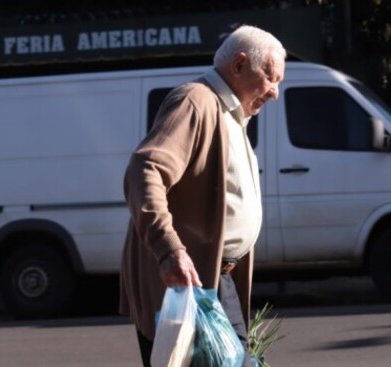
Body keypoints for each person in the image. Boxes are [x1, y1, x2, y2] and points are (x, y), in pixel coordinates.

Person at [119, 24, 286, 367]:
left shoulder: (231, 112)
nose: (275, 93)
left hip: (214, 282)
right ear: (238, 66)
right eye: (271, 78)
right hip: (189, 284)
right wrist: (169, 251)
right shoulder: (195, 101)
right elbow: (145, 170)